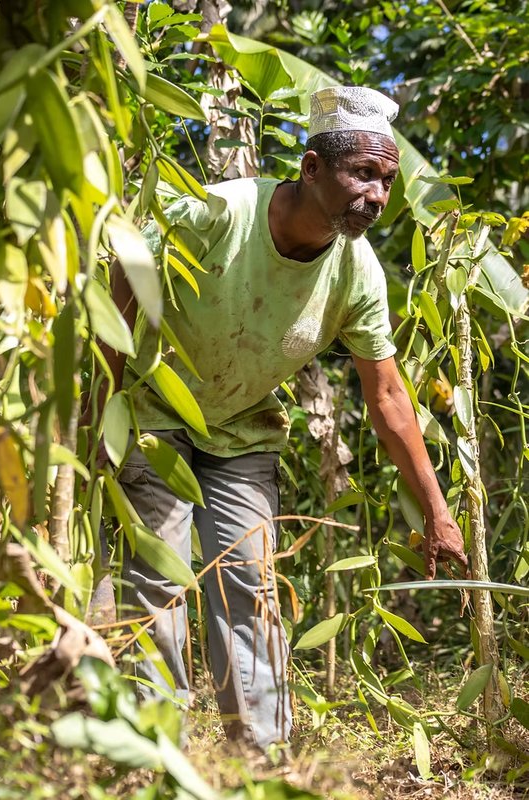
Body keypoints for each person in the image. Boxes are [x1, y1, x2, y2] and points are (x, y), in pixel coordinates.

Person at [99, 85, 468, 751]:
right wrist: (102, 413)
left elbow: (386, 399)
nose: (376, 197)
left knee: (251, 586)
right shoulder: (219, 212)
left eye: (386, 182)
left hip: (242, 431)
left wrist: (436, 510)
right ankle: (152, 755)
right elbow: (126, 273)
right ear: (310, 169)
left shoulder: (358, 275)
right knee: (160, 576)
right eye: (362, 175)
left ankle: (259, 760)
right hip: (153, 412)